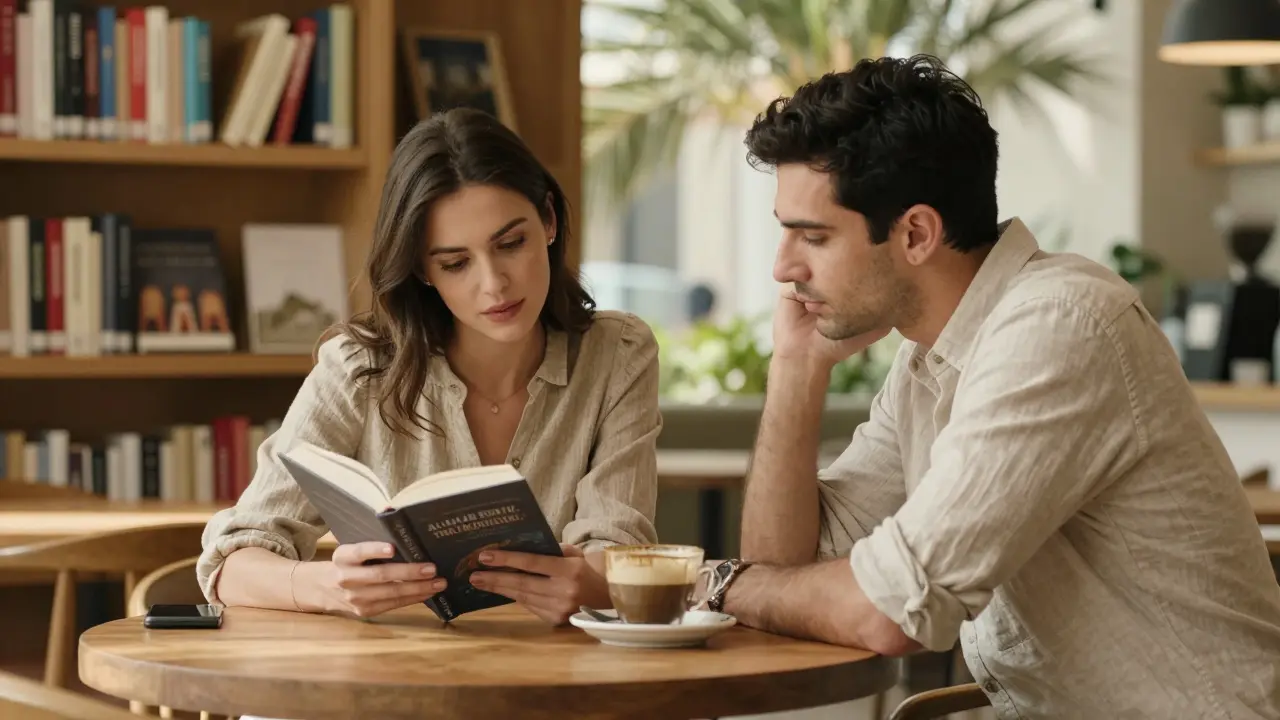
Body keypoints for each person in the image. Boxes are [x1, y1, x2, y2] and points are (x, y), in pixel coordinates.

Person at [704, 55, 1280, 719]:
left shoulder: (1060, 326)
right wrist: (796, 370)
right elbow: (788, 563)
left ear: (916, 233)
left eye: (812, 236)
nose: (782, 267)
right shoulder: (931, 359)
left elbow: (890, 611)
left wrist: (717, 584)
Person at [197, 108, 662, 628]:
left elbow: (620, 546)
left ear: (549, 220)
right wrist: (327, 587)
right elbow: (231, 563)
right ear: (421, 268)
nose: (494, 284)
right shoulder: (359, 368)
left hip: (552, 684)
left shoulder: (618, 352)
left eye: (511, 243)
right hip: (386, 688)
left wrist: (594, 583)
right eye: (455, 263)